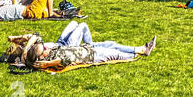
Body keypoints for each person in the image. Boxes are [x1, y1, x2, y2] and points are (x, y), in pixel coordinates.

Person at [16, 30, 156, 69]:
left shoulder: (44, 51)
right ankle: (143, 51)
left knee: (111, 43)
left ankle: (140, 48)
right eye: (42, 49)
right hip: (93, 56)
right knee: (116, 54)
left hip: (87, 47)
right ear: (42, 57)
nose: (44, 46)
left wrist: (26, 48)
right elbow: (66, 59)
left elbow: (35, 35)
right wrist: (47, 64)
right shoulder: (51, 59)